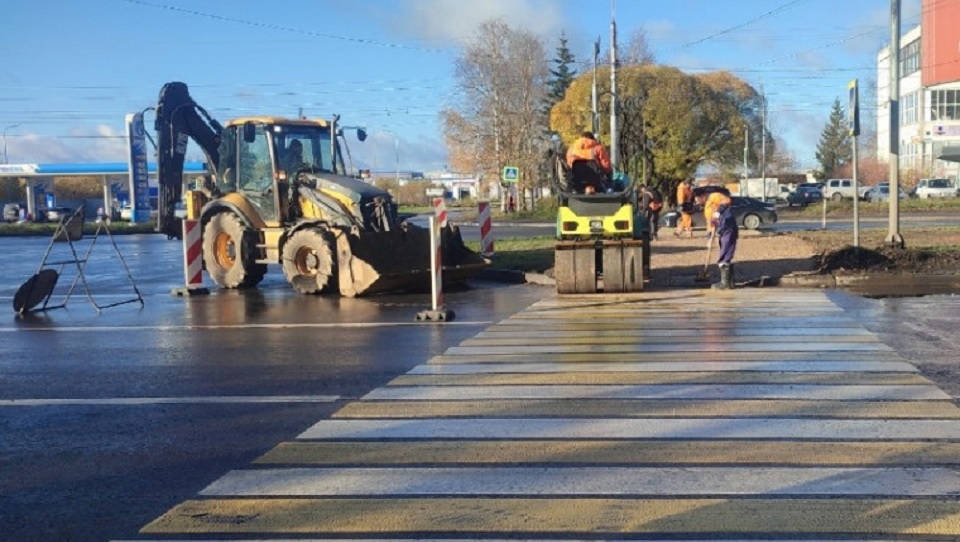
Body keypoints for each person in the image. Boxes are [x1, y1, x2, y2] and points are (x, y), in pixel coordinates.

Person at [706, 191, 738, 289]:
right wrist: (709, 237)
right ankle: (729, 282)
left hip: (728, 229)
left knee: (725, 254)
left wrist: (718, 212)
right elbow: (711, 225)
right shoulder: (709, 208)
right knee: (725, 254)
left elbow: (726, 202)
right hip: (723, 231)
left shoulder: (715, 198)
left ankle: (725, 283)